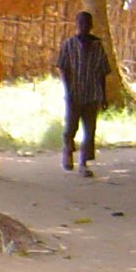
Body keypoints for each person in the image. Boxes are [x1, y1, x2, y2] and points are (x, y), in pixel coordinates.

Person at [53, 10, 112, 177]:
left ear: (91, 26)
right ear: (76, 25)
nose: (84, 27)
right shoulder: (69, 45)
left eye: (87, 24)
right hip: (74, 93)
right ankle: (68, 151)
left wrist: (103, 96)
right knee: (71, 126)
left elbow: (102, 72)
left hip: (92, 94)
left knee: (90, 129)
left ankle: (84, 162)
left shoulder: (97, 46)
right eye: (81, 24)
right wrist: (68, 89)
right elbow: (63, 68)